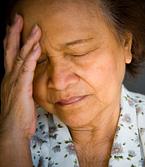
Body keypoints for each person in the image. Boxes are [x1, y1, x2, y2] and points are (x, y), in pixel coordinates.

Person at [0, 0, 145, 166]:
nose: (58, 82)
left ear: (126, 44)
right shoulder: (8, 139)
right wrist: (13, 139)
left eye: (78, 53)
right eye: (39, 61)